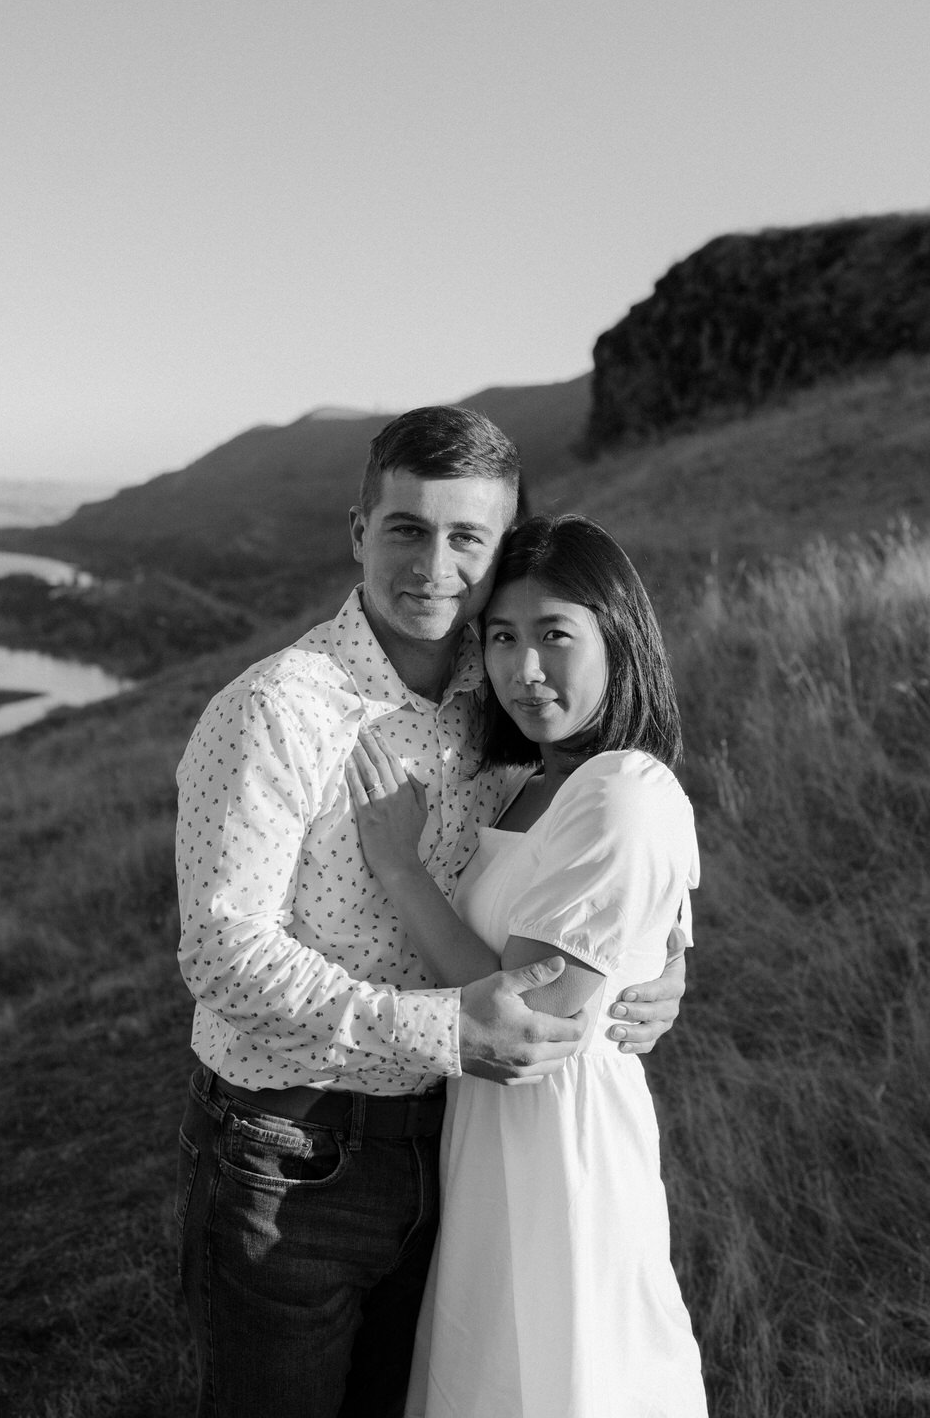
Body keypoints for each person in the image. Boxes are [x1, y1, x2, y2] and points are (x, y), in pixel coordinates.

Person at [174, 407, 689, 1418]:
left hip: (456, 1149)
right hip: (292, 1157)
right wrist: (444, 1029)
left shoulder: (495, 691)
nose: (435, 564)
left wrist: (659, 951)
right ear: (358, 532)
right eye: (407, 528)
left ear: (501, 552)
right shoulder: (276, 709)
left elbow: (591, 833)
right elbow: (223, 954)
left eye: (468, 537)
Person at [346, 513, 707, 1418]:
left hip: (558, 1142)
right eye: (502, 637)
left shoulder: (623, 791)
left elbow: (525, 1016)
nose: (524, 669)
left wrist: (398, 865)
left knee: (559, 1375)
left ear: (619, 636)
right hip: (486, 1129)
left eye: (555, 635)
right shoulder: (530, 785)